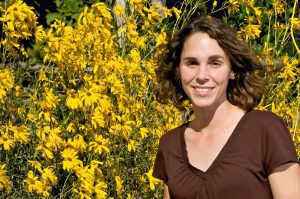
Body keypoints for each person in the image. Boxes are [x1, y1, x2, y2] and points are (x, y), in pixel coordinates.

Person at [152, 16, 300, 199]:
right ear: (178, 69)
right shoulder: (170, 144)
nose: (202, 75)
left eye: (215, 63)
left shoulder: (265, 130)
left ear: (232, 70)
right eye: (192, 63)